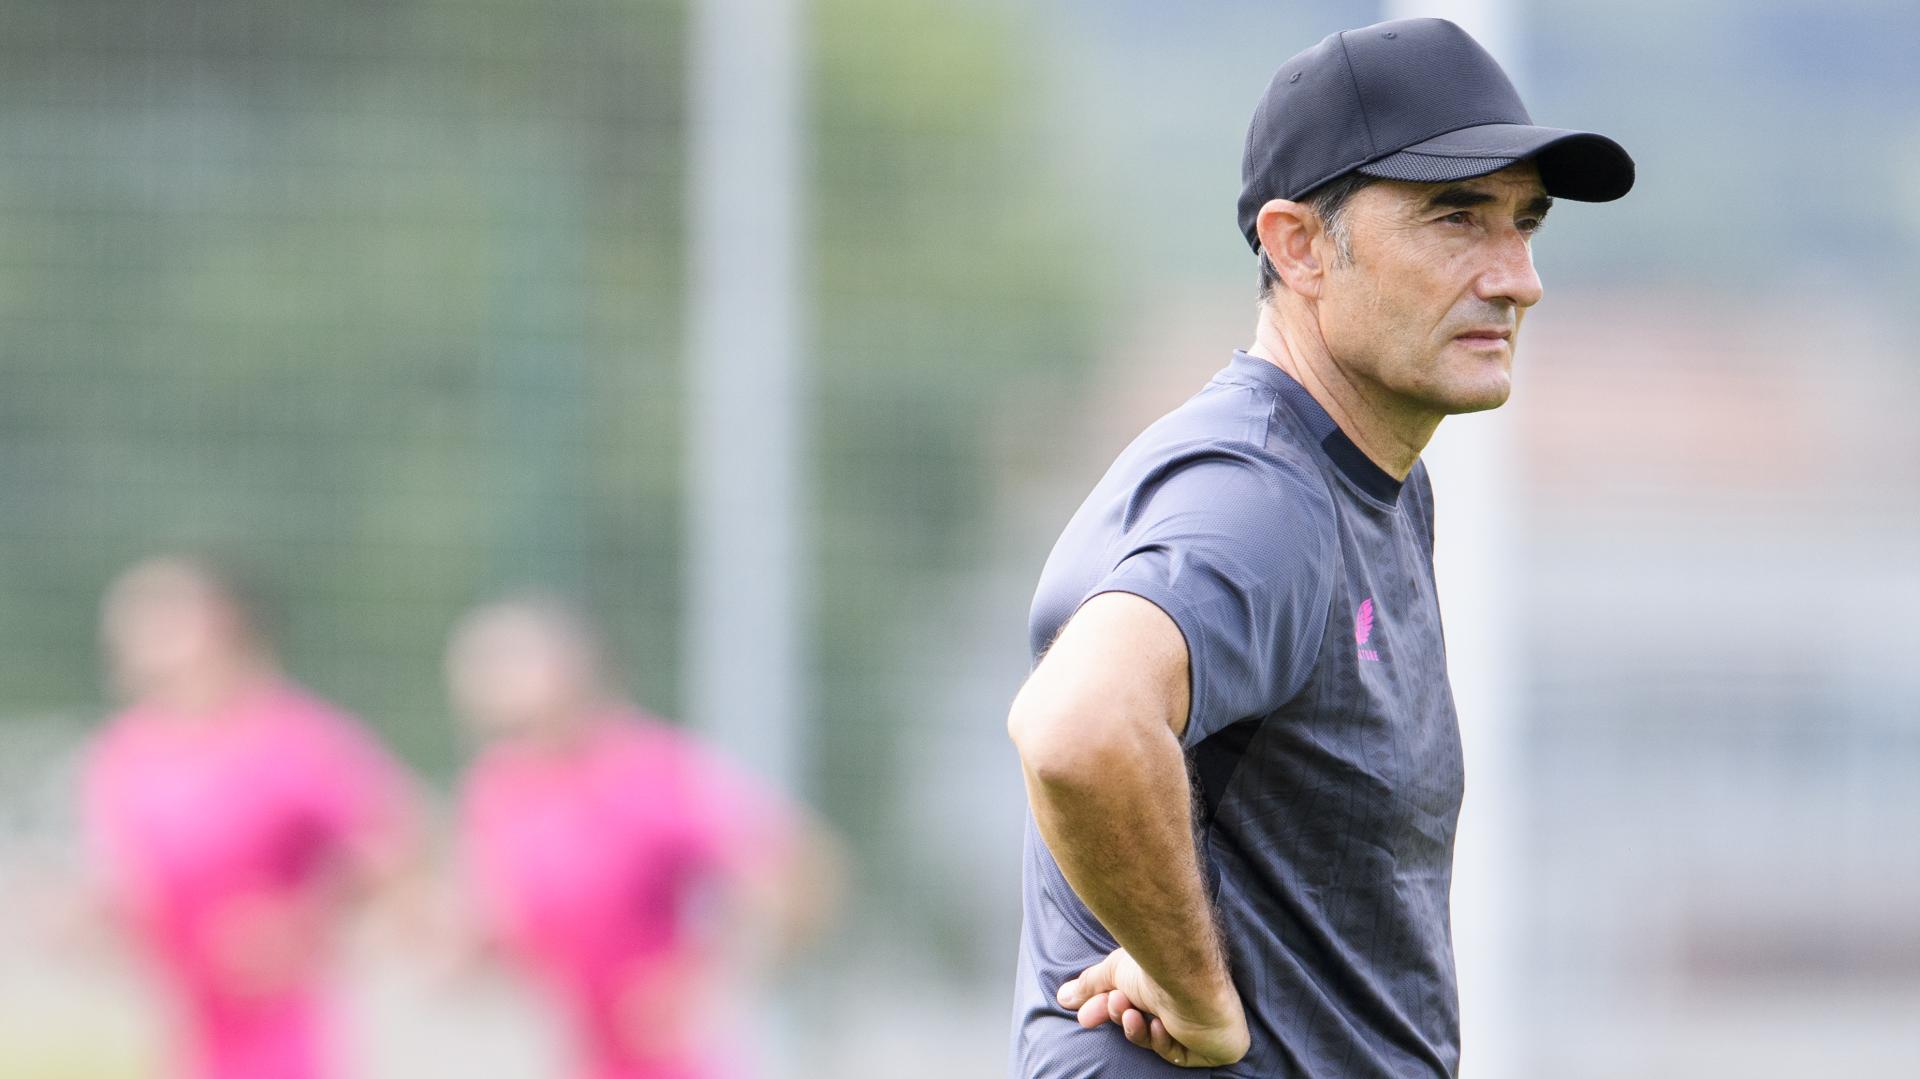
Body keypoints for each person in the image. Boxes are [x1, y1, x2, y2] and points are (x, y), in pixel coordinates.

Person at [1006, 18, 1634, 1077]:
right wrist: (1199, 997)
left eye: (1524, 223)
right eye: (1456, 217)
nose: (1518, 277)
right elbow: (1078, 725)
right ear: (1298, 246)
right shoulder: (1260, 497)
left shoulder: (1368, 481)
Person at [445, 595, 840, 1079]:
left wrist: (714, 976)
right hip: (579, 1059)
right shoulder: (499, 789)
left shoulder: (648, 772)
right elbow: (510, 929)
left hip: (671, 1061)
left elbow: (795, 868)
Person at [82, 556, 419, 1079]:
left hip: (283, 1032)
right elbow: (130, 890)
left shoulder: (294, 737)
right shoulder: (126, 754)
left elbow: (394, 846)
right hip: (186, 1031)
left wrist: (309, 919)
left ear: (222, 621)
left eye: (163, 615)